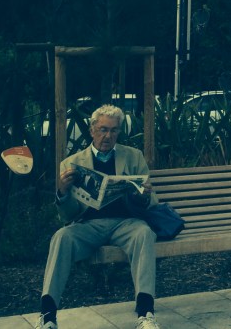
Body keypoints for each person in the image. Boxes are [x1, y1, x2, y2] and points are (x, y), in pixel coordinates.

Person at [39, 105, 160, 329]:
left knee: (144, 233)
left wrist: (142, 195)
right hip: (89, 226)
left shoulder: (133, 157)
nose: (108, 136)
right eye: (103, 129)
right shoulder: (72, 163)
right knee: (61, 237)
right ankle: (47, 317)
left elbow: (151, 203)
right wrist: (63, 193)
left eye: (114, 130)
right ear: (92, 130)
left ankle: (146, 314)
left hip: (125, 224)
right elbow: (67, 215)